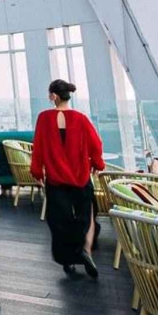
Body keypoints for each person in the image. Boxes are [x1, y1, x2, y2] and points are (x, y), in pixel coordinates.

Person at [30, 79, 105, 278]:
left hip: (56, 178)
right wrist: (98, 164)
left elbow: (38, 146)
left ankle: (68, 258)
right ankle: (85, 250)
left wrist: (37, 171)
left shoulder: (44, 118)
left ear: (54, 96)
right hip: (80, 176)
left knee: (59, 219)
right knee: (86, 214)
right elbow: (96, 144)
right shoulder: (81, 118)